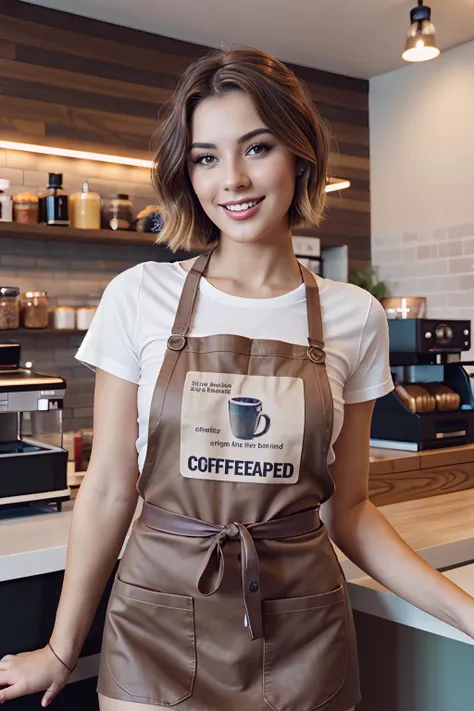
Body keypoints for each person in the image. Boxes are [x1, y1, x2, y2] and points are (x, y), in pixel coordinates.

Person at [1, 46, 473, 711]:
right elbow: (109, 486)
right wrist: (60, 648)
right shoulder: (139, 296)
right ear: (187, 171)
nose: (233, 180)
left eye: (257, 147)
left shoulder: (354, 316)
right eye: (207, 157)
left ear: (299, 154)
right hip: (157, 625)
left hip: (305, 630)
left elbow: (354, 509)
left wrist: (468, 612)